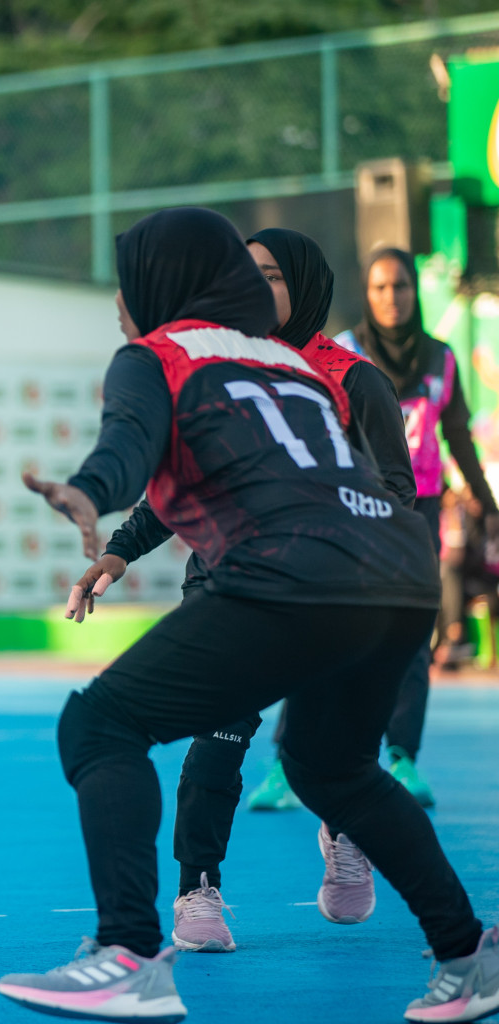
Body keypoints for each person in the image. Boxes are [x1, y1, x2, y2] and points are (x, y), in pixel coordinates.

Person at [0, 207, 494, 1024]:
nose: (119, 302)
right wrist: (124, 546)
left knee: (99, 727)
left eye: (127, 282)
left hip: (286, 572)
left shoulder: (154, 357)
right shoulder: (291, 363)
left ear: (166, 286)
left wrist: (85, 493)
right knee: (333, 769)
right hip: (397, 571)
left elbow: (126, 448)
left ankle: (127, 955)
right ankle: (467, 953)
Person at [62, 228, 416, 954]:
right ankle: (198, 889)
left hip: (332, 589)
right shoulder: (214, 368)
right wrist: (121, 552)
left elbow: (396, 492)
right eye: (245, 275)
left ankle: (351, 837)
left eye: (272, 277)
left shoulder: (354, 379)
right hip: (230, 579)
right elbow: (180, 477)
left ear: (308, 287)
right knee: (218, 737)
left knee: (334, 749)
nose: (256, 291)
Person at [328, 247, 499, 808]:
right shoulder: (343, 355)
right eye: (379, 288)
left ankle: (402, 756)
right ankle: (294, 757)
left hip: (419, 514)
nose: (391, 298)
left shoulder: (442, 360)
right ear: (366, 294)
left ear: (413, 292)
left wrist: (488, 503)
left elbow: (460, 438)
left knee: (411, 637)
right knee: (332, 635)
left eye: (400, 286)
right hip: (357, 508)